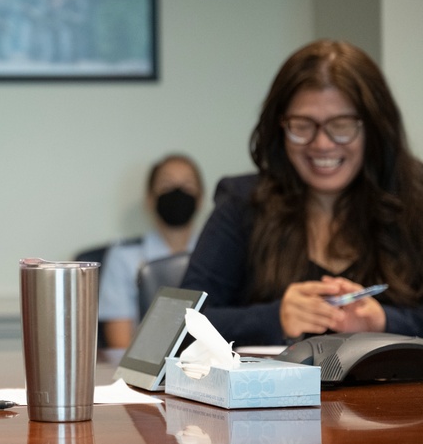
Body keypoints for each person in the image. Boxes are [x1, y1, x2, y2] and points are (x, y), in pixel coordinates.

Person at [181, 39, 423, 346]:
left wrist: (384, 321)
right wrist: (275, 317)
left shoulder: (416, 200)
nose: (322, 144)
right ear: (279, 127)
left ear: (374, 128)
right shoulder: (241, 202)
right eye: (302, 125)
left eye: (342, 125)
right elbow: (178, 324)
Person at [98, 154, 205, 348]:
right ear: (150, 199)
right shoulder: (124, 257)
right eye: (166, 185)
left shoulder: (217, 254)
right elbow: (120, 344)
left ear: (200, 198)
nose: (178, 192)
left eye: (188, 185)